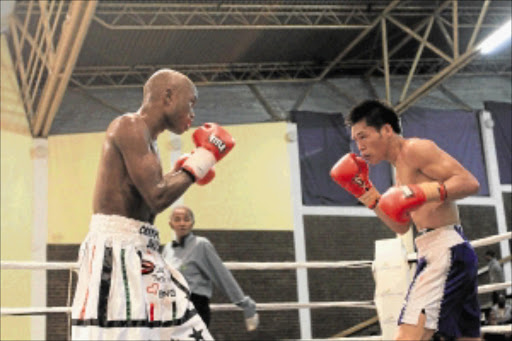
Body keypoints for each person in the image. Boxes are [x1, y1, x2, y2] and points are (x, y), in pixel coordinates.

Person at [71, 68, 235, 340]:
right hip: (115, 250)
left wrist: (182, 170)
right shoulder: (129, 125)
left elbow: (149, 193)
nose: (193, 113)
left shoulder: (151, 143)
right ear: (168, 96)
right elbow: (157, 197)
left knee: (186, 331)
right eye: (191, 102)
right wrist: (202, 160)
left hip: (144, 253)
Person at [330, 100, 481, 340]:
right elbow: (401, 226)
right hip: (442, 251)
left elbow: (469, 183)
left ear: (387, 130)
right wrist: (367, 195)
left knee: (407, 337)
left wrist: (421, 193)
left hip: (445, 251)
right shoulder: (399, 173)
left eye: (363, 136)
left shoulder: (415, 149)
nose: (360, 147)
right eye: (356, 140)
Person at [162, 205, 259, 331]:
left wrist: (244, 304)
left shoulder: (201, 245)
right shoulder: (167, 249)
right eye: (177, 219)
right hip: (171, 308)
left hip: (195, 306)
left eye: (186, 219)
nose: (182, 223)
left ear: (192, 223)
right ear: (171, 224)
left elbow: (222, 275)